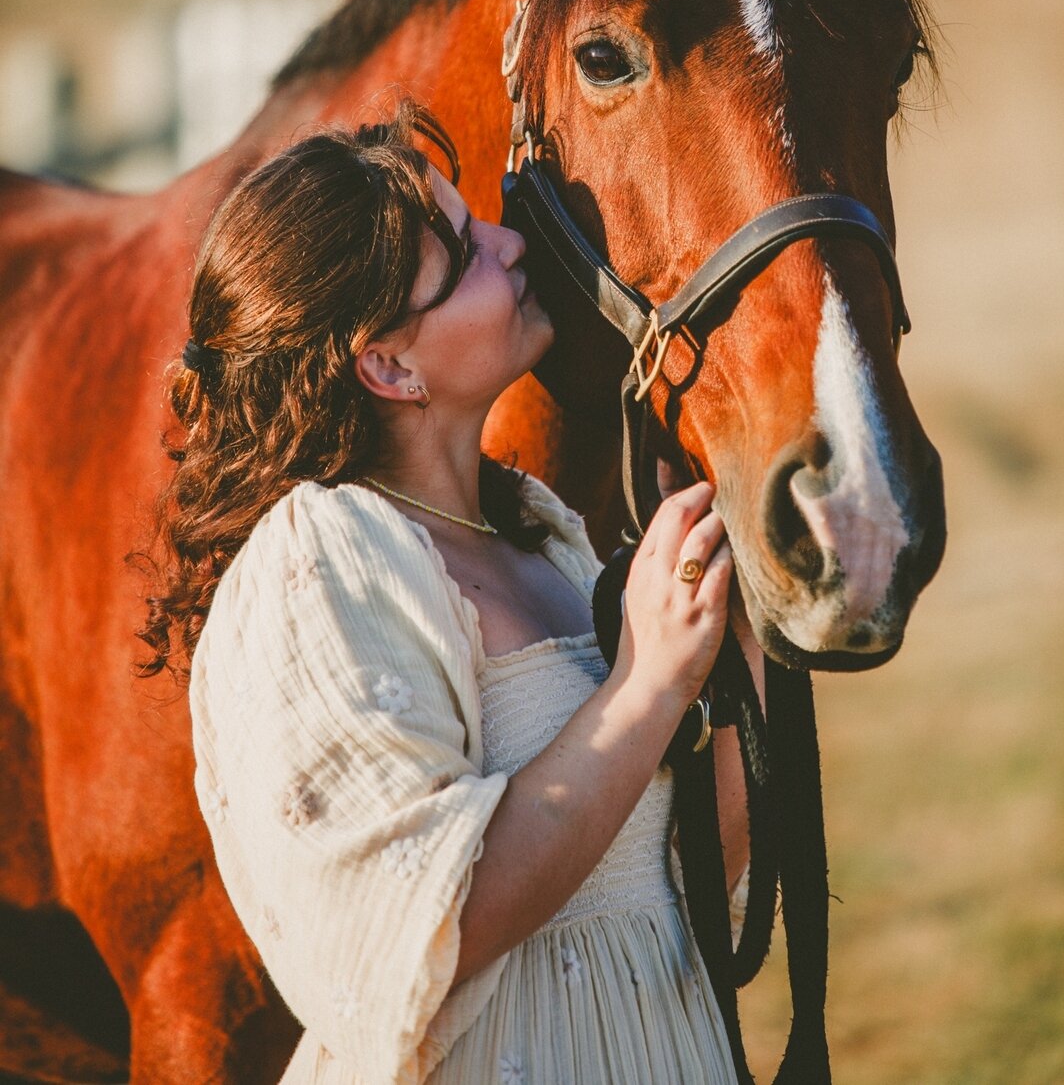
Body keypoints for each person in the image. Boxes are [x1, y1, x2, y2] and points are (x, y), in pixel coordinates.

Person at [137, 102, 749, 1085]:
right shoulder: (320, 567)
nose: (512, 243)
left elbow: (679, 890)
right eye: (464, 252)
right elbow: (431, 925)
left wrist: (734, 634)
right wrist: (646, 688)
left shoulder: (544, 539)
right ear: (387, 364)